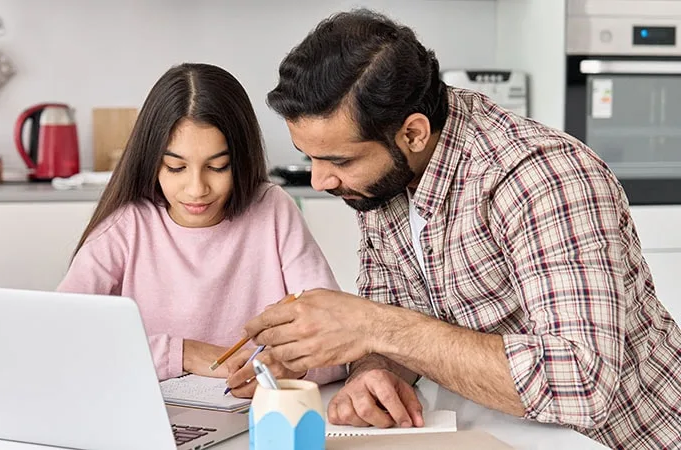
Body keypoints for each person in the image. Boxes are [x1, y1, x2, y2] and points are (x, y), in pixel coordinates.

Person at [239, 9, 681, 449]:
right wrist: (375, 372)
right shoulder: (383, 180)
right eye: (310, 156)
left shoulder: (542, 177)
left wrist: (371, 327)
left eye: (340, 161)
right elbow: (398, 314)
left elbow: (582, 385)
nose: (320, 181)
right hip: (499, 433)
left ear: (413, 133)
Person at [57, 63, 345, 396]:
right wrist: (182, 353)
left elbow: (337, 339)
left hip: (254, 414)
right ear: (152, 161)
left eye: (218, 166)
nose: (196, 189)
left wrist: (291, 365)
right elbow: (61, 336)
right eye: (176, 167)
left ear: (241, 159)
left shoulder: (273, 208)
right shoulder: (127, 226)